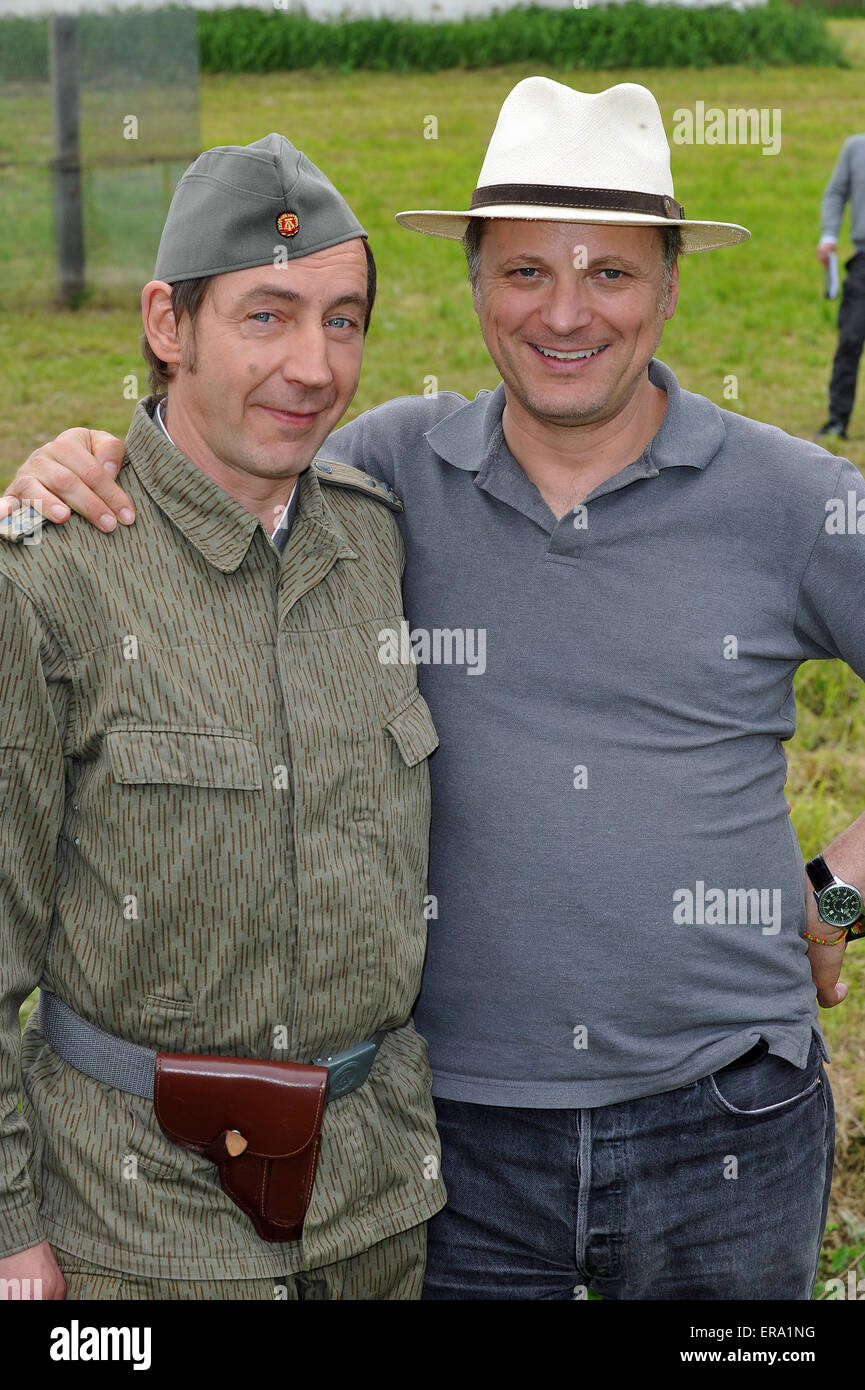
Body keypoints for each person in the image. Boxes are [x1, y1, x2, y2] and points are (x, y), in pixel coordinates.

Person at [6, 78, 864, 1301]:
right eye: (524, 272)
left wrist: (834, 895)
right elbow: (218, 465)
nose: (565, 313)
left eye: (610, 274)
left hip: (722, 1117)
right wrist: (79, 456)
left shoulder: (786, 496)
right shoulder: (387, 473)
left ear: (670, 285)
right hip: (449, 1145)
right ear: (474, 284)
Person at [0, 133, 444, 1302]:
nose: (314, 365)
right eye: (267, 316)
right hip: (129, 1237)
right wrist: (7, 1232)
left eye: (343, 320)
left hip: (375, 1218)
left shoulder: (383, 543)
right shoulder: (50, 573)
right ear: (166, 323)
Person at [815, 129, 865, 441]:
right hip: (863, 263)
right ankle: (837, 421)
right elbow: (835, 192)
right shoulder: (855, 148)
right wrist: (829, 235)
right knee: (850, 340)